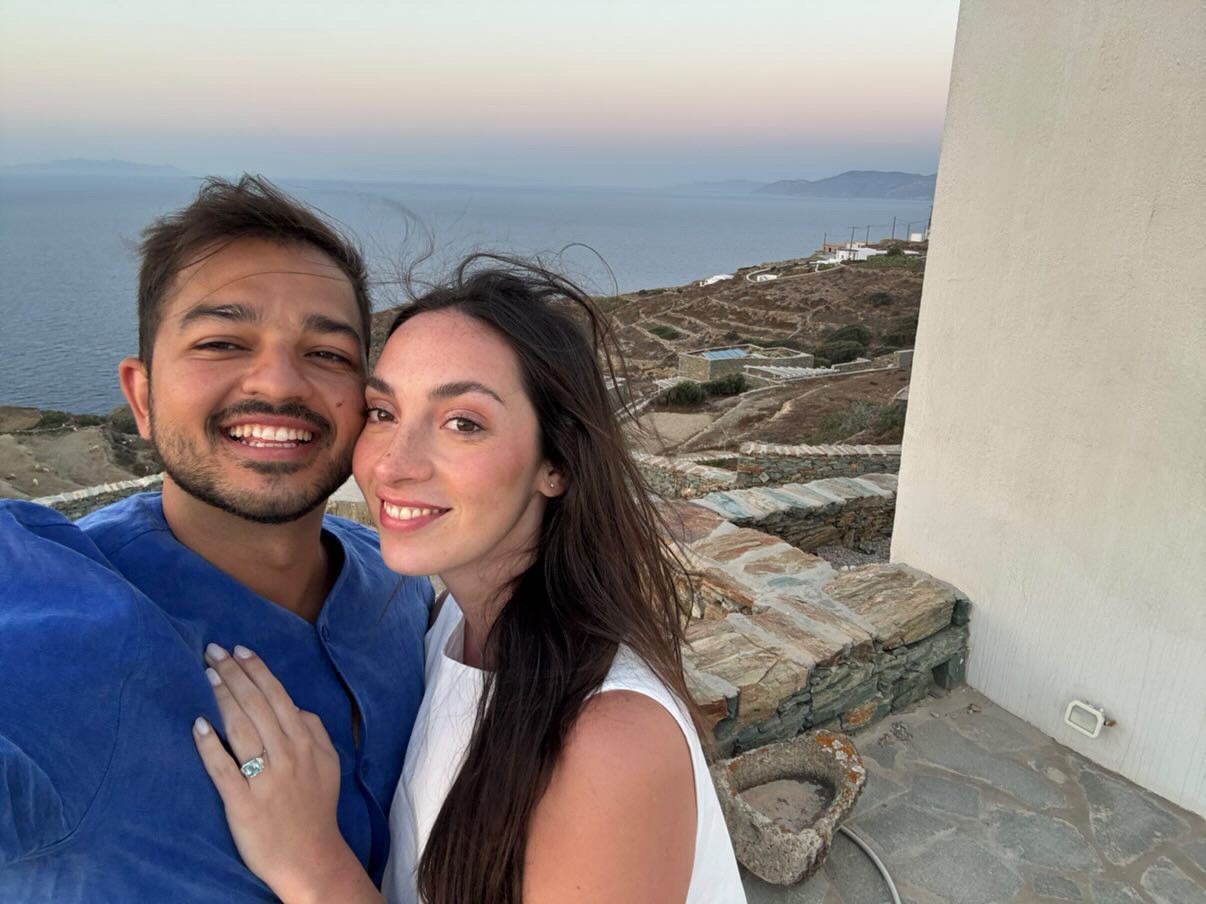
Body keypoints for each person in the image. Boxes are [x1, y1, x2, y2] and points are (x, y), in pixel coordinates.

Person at [192, 256, 747, 904]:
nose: (394, 466)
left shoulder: (609, 742)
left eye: (463, 423)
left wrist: (310, 863)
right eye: (382, 412)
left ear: (556, 464)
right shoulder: (454, 621)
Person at [0, 176, 432, 902]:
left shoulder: (400, 582)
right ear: (142, 397)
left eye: (327, 353)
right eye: (223, 341)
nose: (279, 382)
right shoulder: (55, 629)